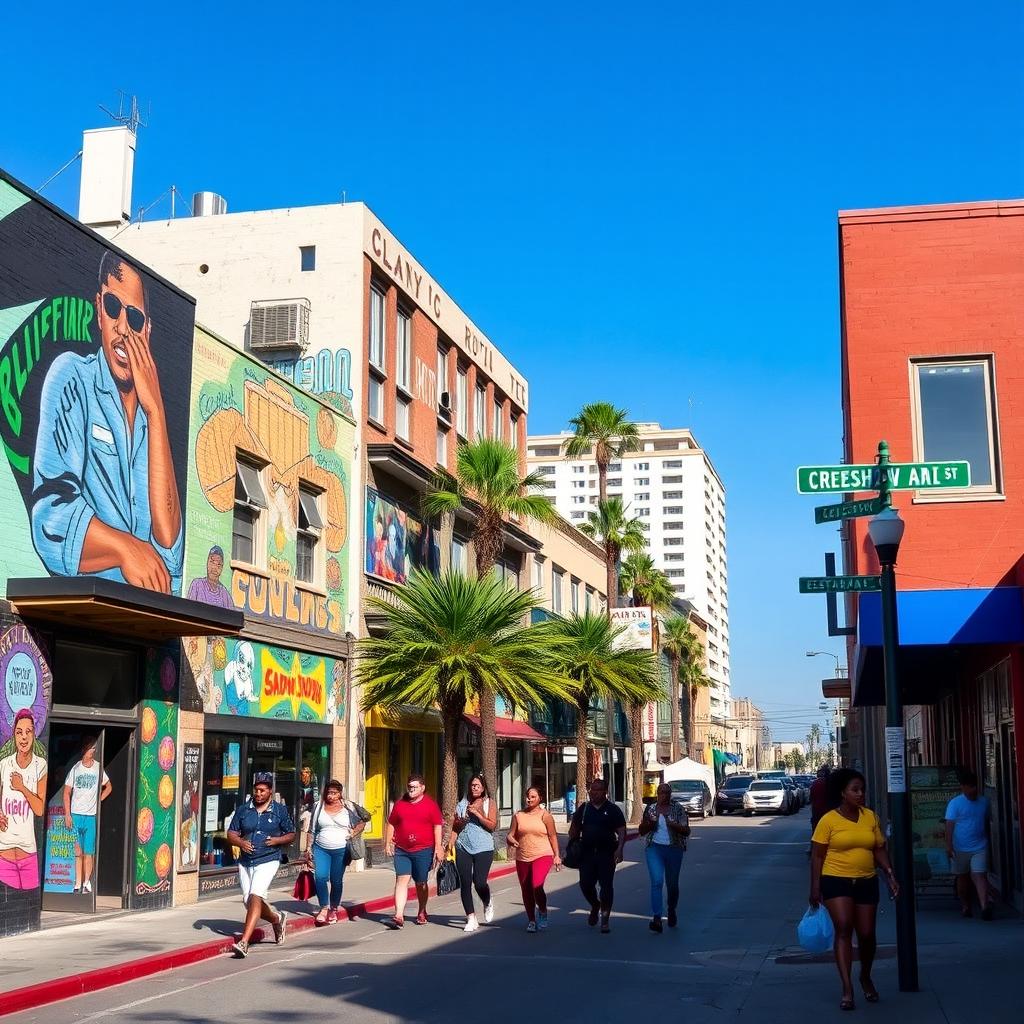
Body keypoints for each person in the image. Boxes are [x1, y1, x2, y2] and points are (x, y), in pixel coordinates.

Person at [32, 252, 183, 594]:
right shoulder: (72, 377)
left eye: (133, 316)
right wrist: (126, 548)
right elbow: (50, 519)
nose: (122, 328)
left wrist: (156, 413)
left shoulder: (153, 416)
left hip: (143, 618)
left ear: (147, 329)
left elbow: (170, 552)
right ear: (99, 309)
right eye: (114, 307)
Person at [810, 768, 898, 1011]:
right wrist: (815, 887)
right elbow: (818, 856)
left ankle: (865, 976)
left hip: (866, 880)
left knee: (867, 934)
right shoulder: (828, 820)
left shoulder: (870, 817)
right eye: (855, 790)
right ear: (842, 793)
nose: (860, 794)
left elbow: (879, 848)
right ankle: (847, 988)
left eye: (862, 790)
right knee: (844, 927)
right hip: (836, 880)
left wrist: (889, 874)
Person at [226, 771, 296, 958]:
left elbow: (291, 833)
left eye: (262, 791)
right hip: (246, 861)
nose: (258, 794)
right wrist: (240, 842)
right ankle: (277, 918)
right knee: (248, 901)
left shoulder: (279, 810)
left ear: (270, 792)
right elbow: (231, 833)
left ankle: (244, 942)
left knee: (255, 896)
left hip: (269, 858)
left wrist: (277, 840)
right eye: (256, 790)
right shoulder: (243, 810)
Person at [567, 777, 626, 933]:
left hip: (606, 854)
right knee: (585, 884)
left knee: (606, 887)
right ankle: (595, 904)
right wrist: (573, 837)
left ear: (605, 792)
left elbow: (621, 830)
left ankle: (605, 919)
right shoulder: (584, 808)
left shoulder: (613, 809)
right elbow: (574, 829)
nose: (594, 793)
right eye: (592, 789)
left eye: (598, 790)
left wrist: (619, 848)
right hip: (586, 854)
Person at [385, 773, 443, 927]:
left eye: (414, 787)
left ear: (422, 788)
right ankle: (398, 915)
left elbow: (438, 826)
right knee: (401, 880)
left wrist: (438, 847)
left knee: (420, 882)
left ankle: (422, 910)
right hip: (402, 850)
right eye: (409, 786)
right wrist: (388, 841)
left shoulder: (430, 805)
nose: (411, 789)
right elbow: (391, 823)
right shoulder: (400, 804)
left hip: (423, 850)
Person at [0, 710, 47, 890]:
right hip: (4, 853)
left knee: (27, 900)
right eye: (19, 732)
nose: (24, 737)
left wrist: (22, 787)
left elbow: (39, 809)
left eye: (28, 731)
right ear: (14, 735)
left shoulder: (40, 765)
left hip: (28, 853)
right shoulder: (4, 764)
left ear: (34, 734)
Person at [308, 779, 366, 925]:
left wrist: (354, 832)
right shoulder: (318, 806)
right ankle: (323, 908)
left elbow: (364, 819)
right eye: (328, 792)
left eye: (334, 793)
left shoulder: (348, 807)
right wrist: (308, 848)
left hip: (341, 850)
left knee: (336, 880)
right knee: (320, 877)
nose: (331, 796)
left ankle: (333, 908)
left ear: (340, 793)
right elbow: (312, 829)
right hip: (321, 848)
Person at [506, 786, 561, 932]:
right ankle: (531, 920)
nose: (529, 799)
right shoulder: (518, 815)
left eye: (533, 797)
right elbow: (511, 834)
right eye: (527, 796)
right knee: (526, 889)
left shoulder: (545, 816)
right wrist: (511, 839)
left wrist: (556, 855)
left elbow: (552, 836)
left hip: (542, 854)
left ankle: (542, 910)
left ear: (540, 798)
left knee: (536, 885)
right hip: (522, 856)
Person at [638, 782, 690, 932]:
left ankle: (672, 908)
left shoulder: (677, 809)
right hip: (654, 847)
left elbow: (686, 831)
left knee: (672, 884)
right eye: (661, 792)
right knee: (657, 882)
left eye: (667, 793)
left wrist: (672, 824)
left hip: (674, 848)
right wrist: (650, 823)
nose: (664, 795)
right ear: (657, 794)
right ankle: (657, 918)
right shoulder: (651, 809)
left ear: (670, 795)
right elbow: (641, 830)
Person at [63, 737, 112, 893]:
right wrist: (67, 814)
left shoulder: (98, 768)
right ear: (84, 749)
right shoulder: (76, 768)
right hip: (76, 814)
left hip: (90, 815)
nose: (93, 751)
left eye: (94, 748)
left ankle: (86, 882)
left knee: (89, 852)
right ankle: (77, 883)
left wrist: (99, 800)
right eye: (91, 748)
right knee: (78, 851)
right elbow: (66, 792)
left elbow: (109, 787)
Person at [450, 774, 498, 933]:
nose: (475, 787)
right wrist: (450, 844)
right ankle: (471, 918)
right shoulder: (462, 804)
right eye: (472, 785)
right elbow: (455, 827)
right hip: (463, 846)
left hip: (484, 847)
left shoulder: (489, 803)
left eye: (478, 785)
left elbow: (492, 825)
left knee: (479, 882)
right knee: (465, 882)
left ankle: (487, 901)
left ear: (483, 788)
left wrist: (477, 813)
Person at [944, 768, 993, 919]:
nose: (973, 790)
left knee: (979, 875)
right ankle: (966, 905)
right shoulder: (955, 804)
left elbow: (986, 821)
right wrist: (949, 846)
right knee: (963, 878)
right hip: (960, 848)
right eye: (970, 786)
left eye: (975, 786)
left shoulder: (984, 802)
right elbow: (949, 826)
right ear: (963, 787)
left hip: (980, 846)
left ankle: (985, 907)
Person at [808, 765, 832, 856]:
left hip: (817, 811)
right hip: (828, 811)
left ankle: (813, 848)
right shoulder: (830, 783)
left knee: (816, 831)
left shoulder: (815, 784)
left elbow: (811, 798)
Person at [297, 766, 320, 854]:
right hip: (300, 808)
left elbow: (315, 798)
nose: (304, 775)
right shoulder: (300, 784)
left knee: (306, 828)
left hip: (309, 809)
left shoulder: (313, 784)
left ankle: (306, 848)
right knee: (299, 826)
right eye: (303, 773)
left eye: (306, 773)